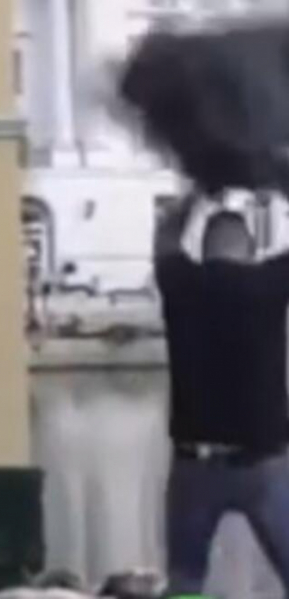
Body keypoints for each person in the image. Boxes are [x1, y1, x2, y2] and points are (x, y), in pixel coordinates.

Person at [155, 193, 289, 593]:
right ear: (250, 251)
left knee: (185, 581)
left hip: (194, 465)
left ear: (203, 248)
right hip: (262, 464)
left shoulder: (181, 283)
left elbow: (165, 236)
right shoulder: (268, 284)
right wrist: (278, 180)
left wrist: (196, 192)